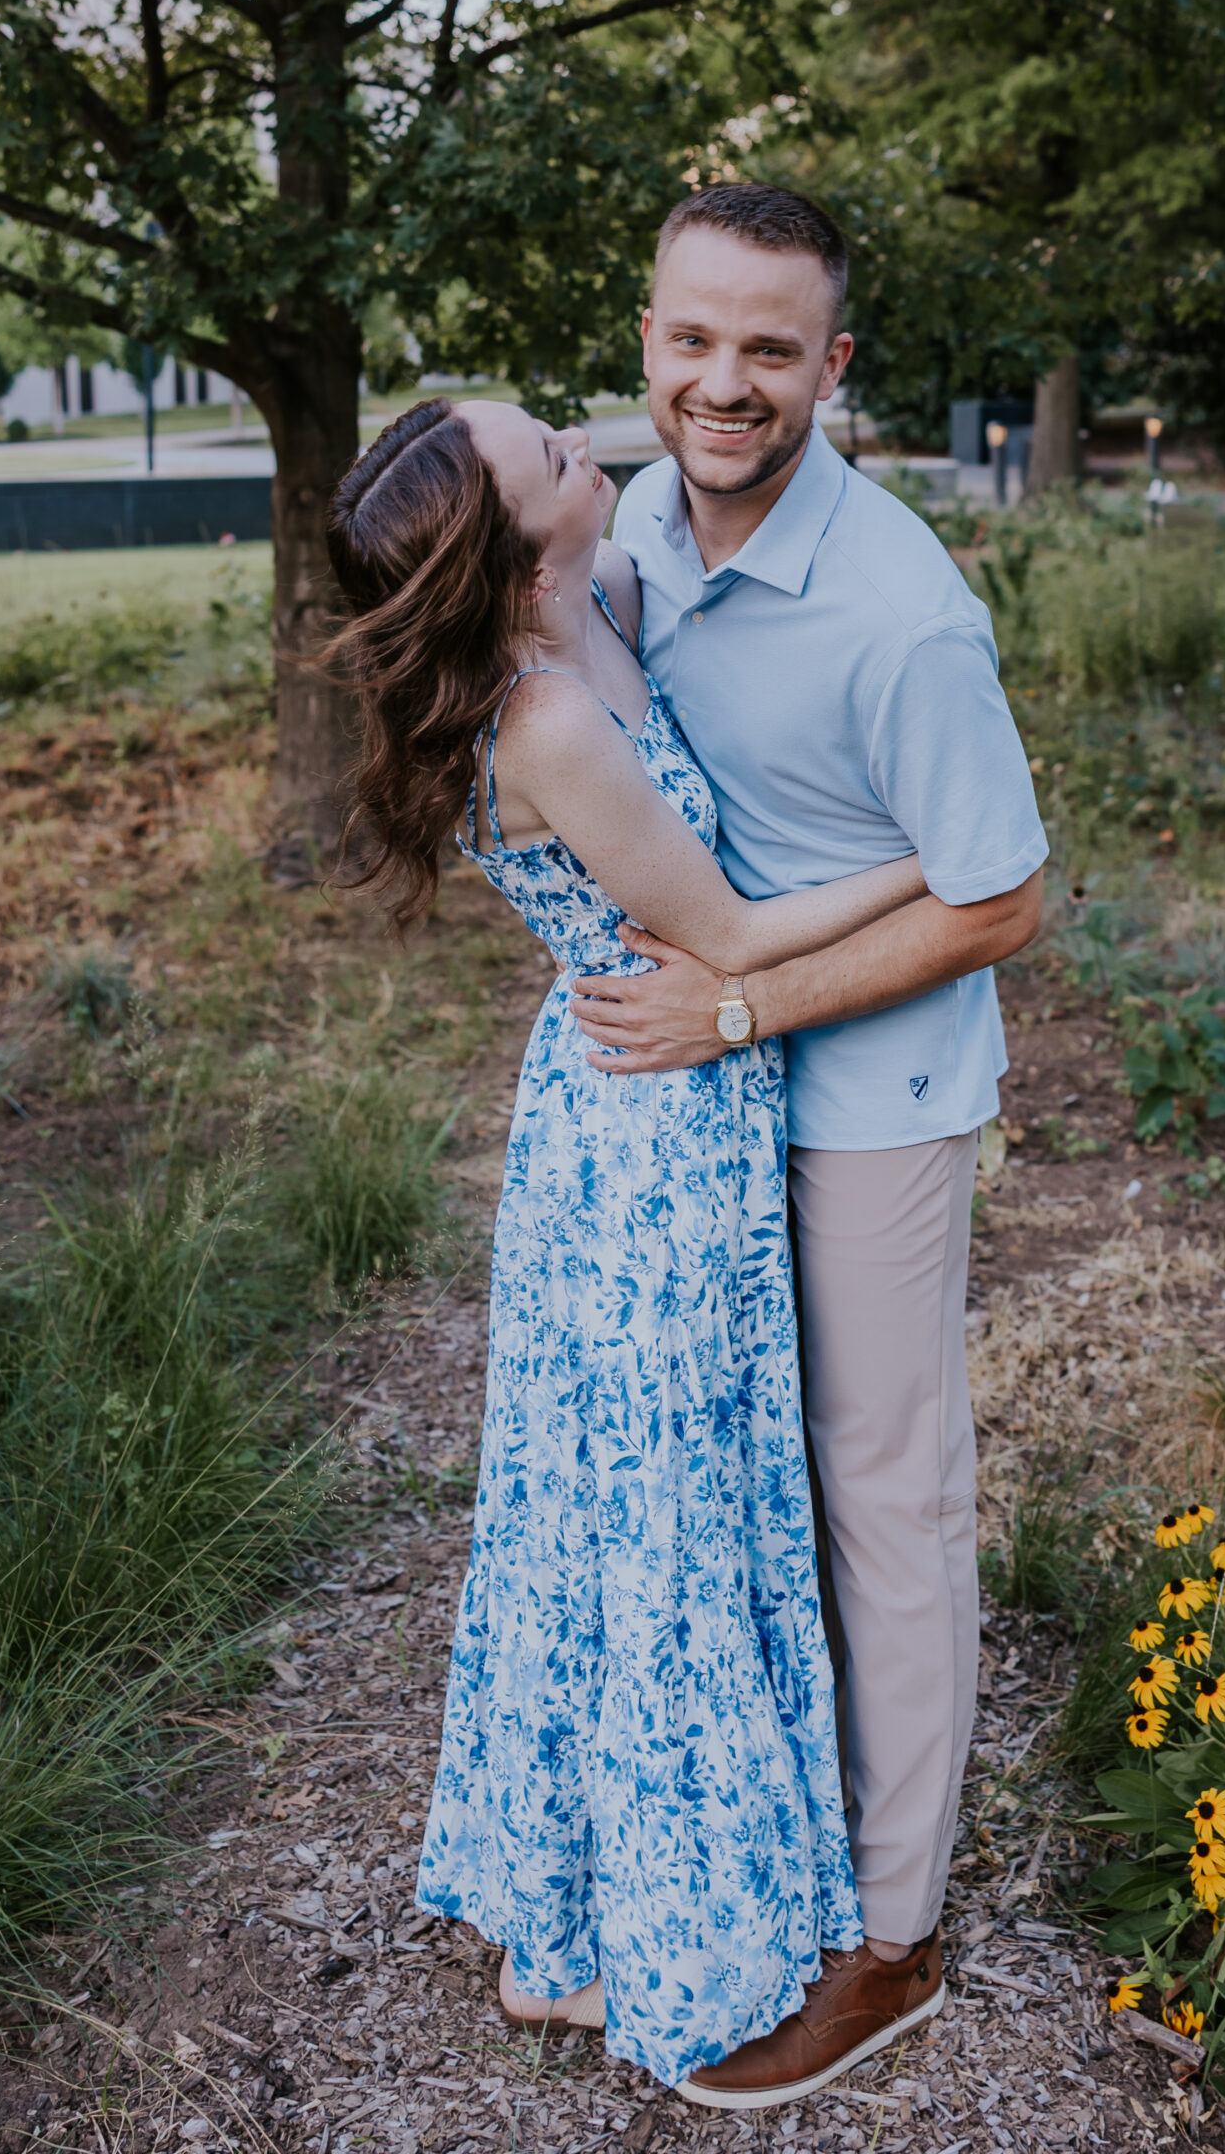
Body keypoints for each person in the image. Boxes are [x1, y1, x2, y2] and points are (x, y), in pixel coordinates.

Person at [323, 396, 938, 2092]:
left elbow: (654, 474)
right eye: (551, 458)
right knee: (650, 1509)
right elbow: (731, 927)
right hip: (650, 1125)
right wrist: (926, 870)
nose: (590, 451)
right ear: (514, 549)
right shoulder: (543, 724)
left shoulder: (593, 597)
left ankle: (564, 1917)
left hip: (678, 1089)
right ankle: (625, 1936)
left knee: (619, 1501)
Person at [576, 183, 1048, 2109]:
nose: (725, 381)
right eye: (695, 338)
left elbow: (1003, 898)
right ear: (649, 343)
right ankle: (763, 1846)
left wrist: (746, 1006)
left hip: (862, 1099)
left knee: (882, 1496)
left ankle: (893, 1933)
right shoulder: (625, 526)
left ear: (832, 370)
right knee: (739, 1484)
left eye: (772, 348)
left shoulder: (906, 615)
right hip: (703, 1092)